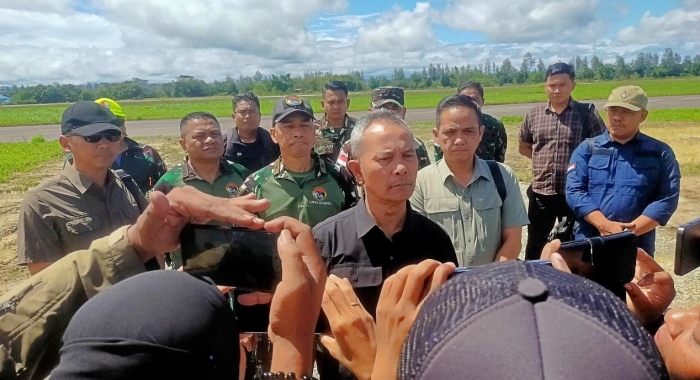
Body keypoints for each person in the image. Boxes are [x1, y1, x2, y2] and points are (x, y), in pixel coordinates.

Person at [0, 187, 271, 380]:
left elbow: (8, 338)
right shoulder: (41, 199)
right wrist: (290, 346)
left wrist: (135, 246)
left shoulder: (123, 184)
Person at [313, 109, 458, 379]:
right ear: (357, 171)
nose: (401, 167)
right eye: (386, 158)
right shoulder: (325, 240)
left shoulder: (435, 240)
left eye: (408, 156)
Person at [16, 101, 141, 275]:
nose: (104, 143)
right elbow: (45, 282)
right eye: (92, 137)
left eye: (111, 135)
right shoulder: (41, 203)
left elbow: (151, 249)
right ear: (66, 144)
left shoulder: (127, 185)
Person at [410, 95, 528, 266]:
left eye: (468, 131)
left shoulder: (503, 176)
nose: (459, 140)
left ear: (480, 134)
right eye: (450, 132)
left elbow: (513, 240)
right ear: (436, 136)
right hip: (443, 286)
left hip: (492, 283)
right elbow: (417, 246)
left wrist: (490, 279)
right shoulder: (419, 183)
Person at [566, 85, 681, 256]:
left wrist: (631, 230)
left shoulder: (659, 153)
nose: (617, 117)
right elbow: (574, 190)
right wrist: (604, 225)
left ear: (643, 115)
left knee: (635, 283)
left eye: (626, 111)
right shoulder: (587, 149)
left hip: (637, 243)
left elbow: (667, 197)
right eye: (612, 110)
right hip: (589, 241)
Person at [518, 62, 607, 260]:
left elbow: (602, 148)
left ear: (573, 85)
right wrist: (543, 159)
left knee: (574, 242)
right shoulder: (534, 114)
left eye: (563, 85)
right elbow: (524, 145)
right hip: (542, 193)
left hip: (574, 192)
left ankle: (570, 281)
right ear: (545, 86)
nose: (557, 90)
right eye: (552, 85)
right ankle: (533, 279)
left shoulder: (587, 113)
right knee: (536, 242)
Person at [239, 95, 357, 228]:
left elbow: (353, 230)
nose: (298, 133)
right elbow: (243, 238)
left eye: (305, 125)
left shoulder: (340, 178)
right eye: (288, 126)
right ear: (273, 135)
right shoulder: (255, 185)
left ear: (314, 131)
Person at [153, 111, 250, 269]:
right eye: (200, 136)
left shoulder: (242, 174)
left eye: (215, 134)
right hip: (190, 271)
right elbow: (154, 237)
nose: (210, 140)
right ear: (183, 144)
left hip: (238, 267)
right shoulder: (169, 183)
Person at [63, 98, 168, 195]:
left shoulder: (147, 153)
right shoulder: (75, 158)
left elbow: (166, 186)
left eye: (117, 122)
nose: (112, 128)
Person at [337, 87, 431, 169]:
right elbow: (339, 183)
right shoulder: (351, 147)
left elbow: (425, 181)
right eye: (382, 108)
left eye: (395, 108)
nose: (389, 114)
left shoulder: (416, 145)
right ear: (371, 112)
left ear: (404, 112)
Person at [434, 82, 507, 163]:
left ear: (482, 101)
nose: (470, 103)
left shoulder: (495, 125)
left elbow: (499, 157)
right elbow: (439, 156)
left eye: (475, 100)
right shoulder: (447, 126)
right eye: (465, 99)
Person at [223, 92, 280, 172]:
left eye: (252, 111)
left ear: (259, 116)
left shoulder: (273, 142)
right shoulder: (224, 145)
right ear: (233, 117)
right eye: (242, 112)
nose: (247, 116)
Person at [314, 80, 356, 162]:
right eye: (331, 102)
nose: (336, 106)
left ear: (348, 103)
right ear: (323, 105)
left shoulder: (359, 128)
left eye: (341, 102)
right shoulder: (314, 129)